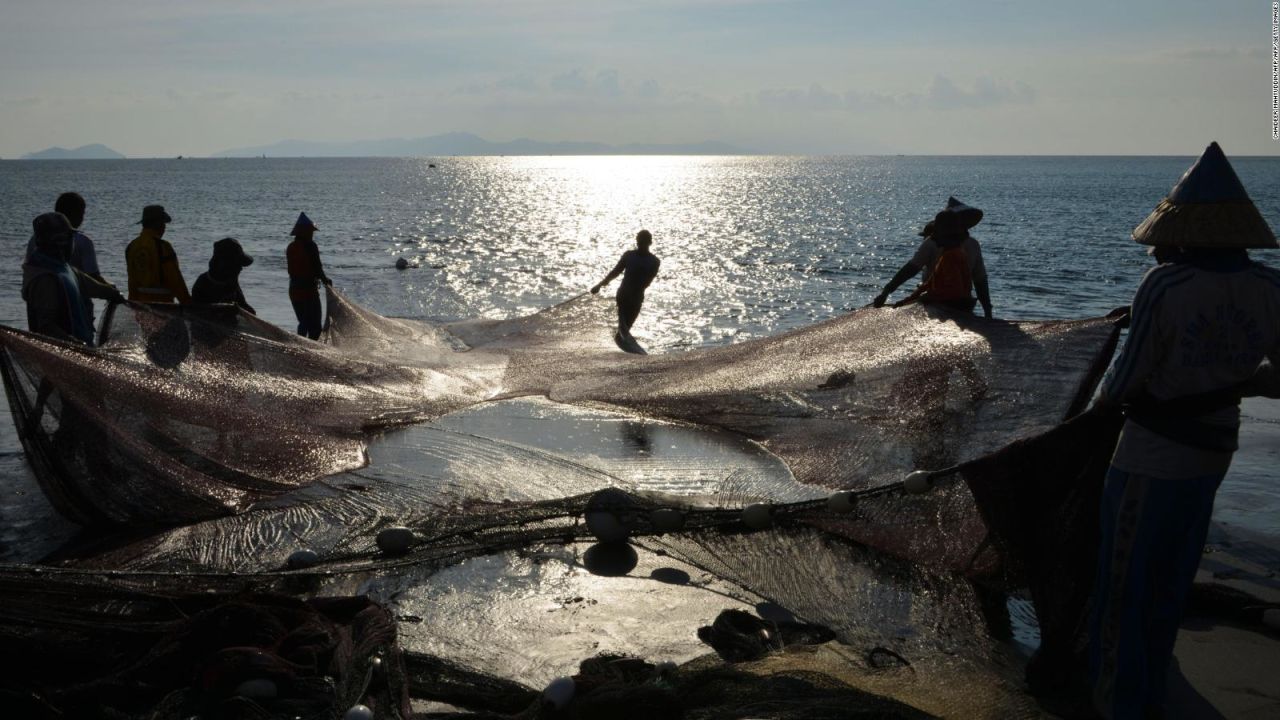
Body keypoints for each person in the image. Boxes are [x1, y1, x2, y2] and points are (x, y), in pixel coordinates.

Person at [1088, 142, 1280, 720]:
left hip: (1151, 455)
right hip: (1215, 448)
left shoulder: (1167, 286)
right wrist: (1234, 385)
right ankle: (1156, 685)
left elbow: (1124, 383)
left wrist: (1087, 418)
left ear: (1183, 236)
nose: (1155, 251)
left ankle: (1119, 700)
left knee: (1124, 579)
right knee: (1174, 571)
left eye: (1161, 242)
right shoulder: (1271, 288)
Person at [872, 197, 993, 318]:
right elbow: (979, 280)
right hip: (954, 301)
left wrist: (888, 292)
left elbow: (912, 269)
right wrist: (988, 312)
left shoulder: (949, 250)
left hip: (943, 301)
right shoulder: (970, 245)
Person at [21, 212, 123, 345]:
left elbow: (94, 288)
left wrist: (114, 294)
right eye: (68, 237)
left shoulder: (65, 268)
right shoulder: (45, 278)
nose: (71, 242)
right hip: (60, 356)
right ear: (57, 242)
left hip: (80, 350)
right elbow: (45, 327)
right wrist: (73, 344)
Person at [590, 229, 661, 339]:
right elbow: (616, 271)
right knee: (623, 322)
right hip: (623, 295)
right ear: (637, 242)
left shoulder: (654, 261)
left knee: (627, 325)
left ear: (649, 243)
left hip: (637, 297)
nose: (640, 244)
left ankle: (621, 336)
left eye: (643, 242)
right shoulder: (629, 256)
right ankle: (620, 335)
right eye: (639, 242)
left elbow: (648, 282)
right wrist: (599, 285)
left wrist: (636, 288)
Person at [125, 205, 190, 304]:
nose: (164, 227)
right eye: (163, 223)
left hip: (139, 308)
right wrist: (189, 304)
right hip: (163, 308)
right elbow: (175, 281)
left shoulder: (131, 247)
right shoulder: (163, 247)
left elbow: (131, 282)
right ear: (160, 225)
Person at [286, 212, 331, 340]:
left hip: (294, 291)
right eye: (311, 231)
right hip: (308, 292)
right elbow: (317, 268)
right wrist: (325, 280)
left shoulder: (291, 247)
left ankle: (300, 344)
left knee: (303, 322)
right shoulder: (310, 246)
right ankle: (310, 350)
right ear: (305, 232)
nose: (312, 234)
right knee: (314, 326)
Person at [191, 238, 256, 314]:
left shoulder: (230, 280)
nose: (241, 269)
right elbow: (199, 316)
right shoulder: (202, 285)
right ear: (223, 265)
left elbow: (245, 307)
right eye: (237, 265)